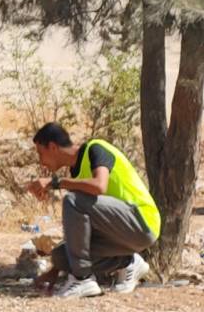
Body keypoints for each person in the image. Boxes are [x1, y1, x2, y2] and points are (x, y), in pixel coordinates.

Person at [27, 122, 158, 298]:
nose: (41, 161)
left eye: (40, 153)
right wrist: (54, 271)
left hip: (142, 221)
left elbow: (99, 186)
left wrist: (55, 183)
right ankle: (128, 262)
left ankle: (82, 280)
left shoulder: (95, 149)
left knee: (72, 200)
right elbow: (79, 235)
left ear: (52, 147)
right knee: (61, 256)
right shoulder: (77, 173)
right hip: (120, 234)